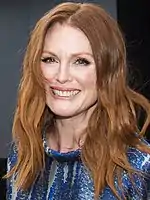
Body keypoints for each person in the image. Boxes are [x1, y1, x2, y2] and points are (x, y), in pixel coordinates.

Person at [5, 2, 150, 200]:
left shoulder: (137, 166)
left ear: (108, 72)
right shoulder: (24, 152)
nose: (62, 76)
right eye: (50, 59)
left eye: (81, 61)